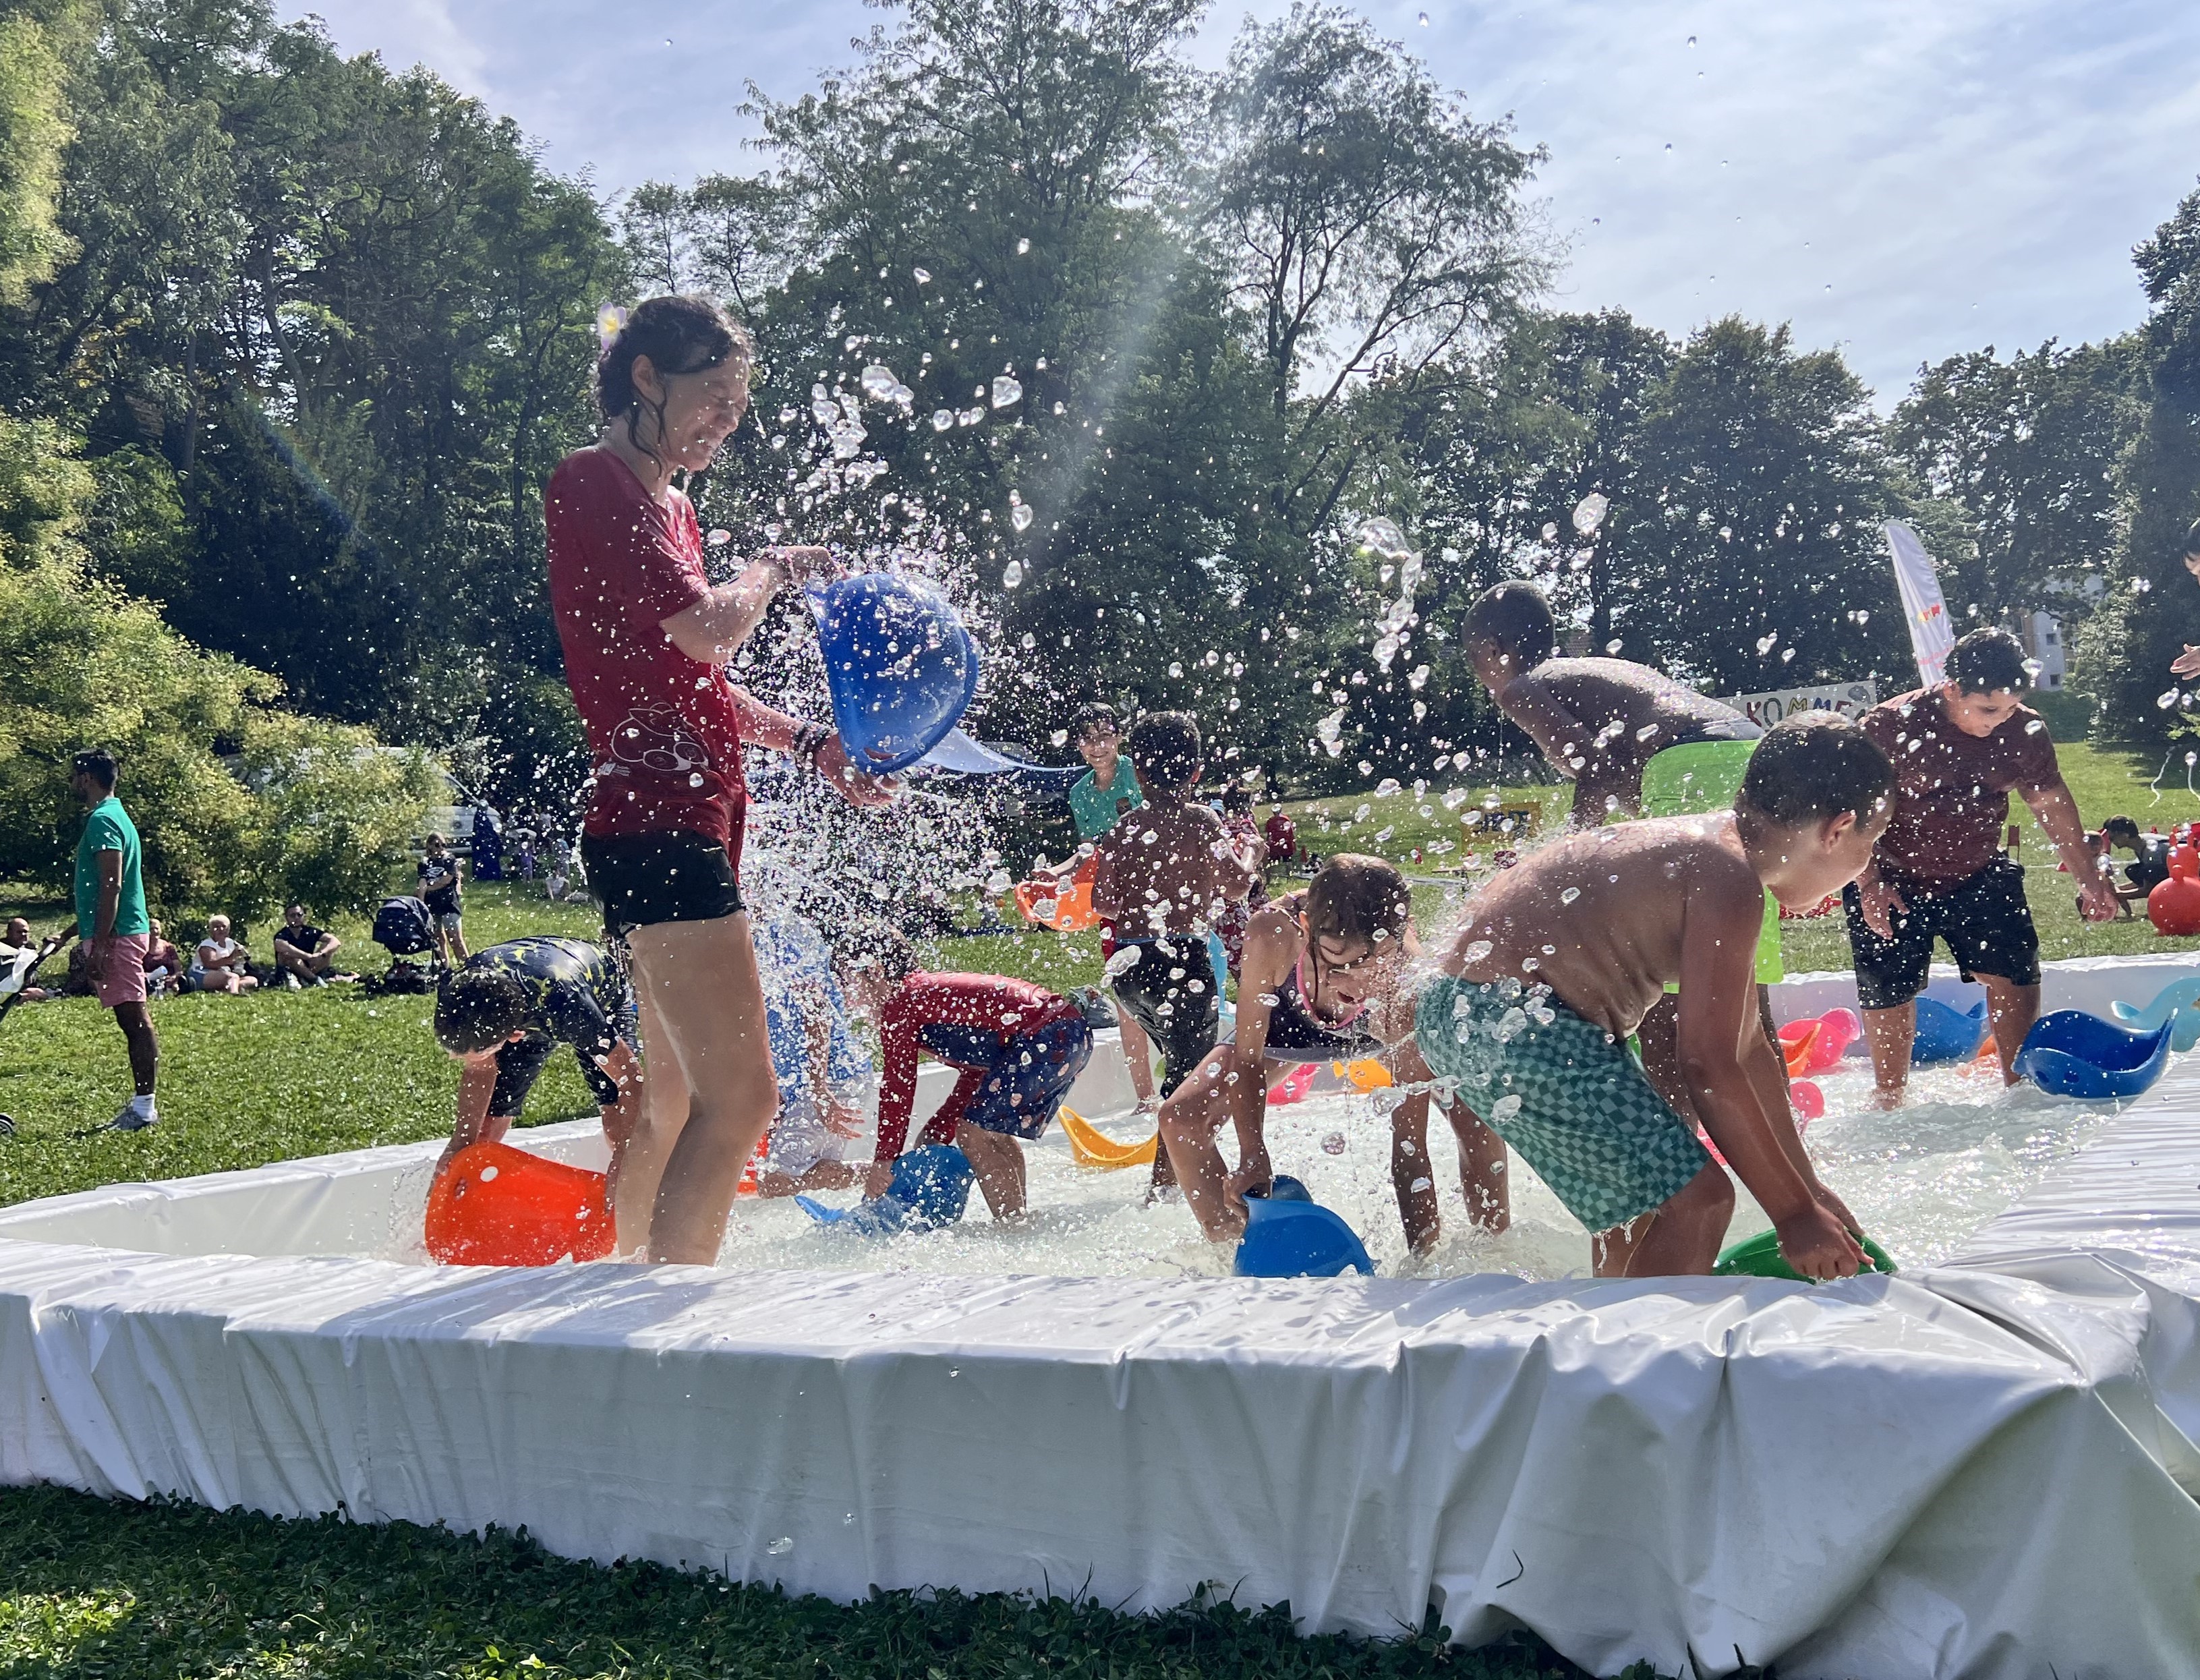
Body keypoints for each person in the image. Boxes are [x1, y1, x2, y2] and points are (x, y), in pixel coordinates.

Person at [546, 293, 889, 1263]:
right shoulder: (593, 482)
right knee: (745, 1099)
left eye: (737, 408)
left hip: (668, 825)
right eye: (712, 397)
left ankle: (624, 1289)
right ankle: (666, 1326)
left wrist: (810, 743)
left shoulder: (673, 509)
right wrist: (774, 567)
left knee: (675, 1101)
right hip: (657, 827)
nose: (723, 423)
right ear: (645, 376)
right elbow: (709, 626)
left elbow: (696, 675)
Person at [1416, 714, 1892, 1279]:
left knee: (1638, 1214)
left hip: (1464, 1011)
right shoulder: (1731, 879)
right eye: (1873, 843)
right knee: (1699, 1200)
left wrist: (1806, 1189)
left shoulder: (1714, 855)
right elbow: (1707, 1065)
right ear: (1837, 830)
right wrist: (1793, 1216)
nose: (1866, 863)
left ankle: (1607, 1327)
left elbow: (1748, 1051)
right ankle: (1641, 1362)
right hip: (1515, 1022)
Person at [1461, 579, 1789, 1135]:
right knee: (1743, 991)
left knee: (1661, 987)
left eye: (1476, 664)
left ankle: (1677, 1164)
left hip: (1688, 767)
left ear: (1493, 651)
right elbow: (1618, 773)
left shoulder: (1519, 687)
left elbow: (1595, 770)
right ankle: (1789, 1152)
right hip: (1748, 756)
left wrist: (1562, 861)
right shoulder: (1585, 673)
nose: (1483, 678)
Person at [1157, 853, 1509, 1252]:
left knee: (1476, 1117)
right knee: (1180, 1118)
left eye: (1373, 963)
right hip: (1289, 1027)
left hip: (1376, 1028)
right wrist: (1253, 1152)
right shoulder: (1272, 933)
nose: (1354, 982)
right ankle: (1240, 1250)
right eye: (1336, 962)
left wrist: (1421, 1265)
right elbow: (1249, 1058)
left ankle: (1494, 1245)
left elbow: (1411, 1148)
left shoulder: (1405, 978)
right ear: (1306, 926)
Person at [1846, 627, 2118, 1105]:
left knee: (2016, 970)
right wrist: (1869, 882)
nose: (2000, 721)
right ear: (1952, 688)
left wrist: (2089, 879)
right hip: (1892, 874)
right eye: (1989, 709)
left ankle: (2022, 1092)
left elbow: (2050, 804)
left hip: (1978, 870)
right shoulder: (1889, 725)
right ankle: (1890, 1099)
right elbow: (1850, 813)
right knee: (1888, 986)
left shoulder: (2025, 729)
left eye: (2011, 708)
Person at [1091, 712, 1263, 1190]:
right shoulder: (1202, 820)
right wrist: (1250, 853)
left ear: (1138, 773)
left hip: (1128, 969)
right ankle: (1166, 1194)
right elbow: (1234, 888)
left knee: (1183, 1079)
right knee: (1188, 1091)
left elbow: (1103, 902)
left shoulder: (1124, 828)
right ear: (1197, 772)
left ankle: (1174, 1183)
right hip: (1182, 965)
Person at [836, 923, 1093, 1221]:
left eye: (847, 982)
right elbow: (980, 1070)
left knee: (975, 1134)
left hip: (1045, 1036)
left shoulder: (901, 1003)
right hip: (1067, 1034)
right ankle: (1019, 1219)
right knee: (989, 1131)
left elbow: (898, 1086)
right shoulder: (922, 995)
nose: (848, 999)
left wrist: (883, 1161)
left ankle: (1012, 1226)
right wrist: (939, 1130)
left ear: (876, 971)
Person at [432, 937, 645, 1244]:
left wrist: (626, 1156)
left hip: (598, 997)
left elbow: (632, 1081)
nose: (463, 1061)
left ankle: (631, 1211)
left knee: (618, 1127)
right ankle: (461, 1218)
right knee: (481, 1139)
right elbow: (481, 1069)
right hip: (523, 997)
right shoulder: (464, 993)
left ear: (515, 1036)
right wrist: (460, 1141)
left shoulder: (572, 1010)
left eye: (479, 1053)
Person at [1060, 700, 1161, 1109]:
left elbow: (1157, 827)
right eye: (1088, 739)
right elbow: (1092, 849)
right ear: (1078, 745)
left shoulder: (1139, 772)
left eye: (1105, 736)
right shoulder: (1080, 793)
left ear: (1119, 736)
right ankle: (1145, 1097)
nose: (1097, 746)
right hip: (1115, 904)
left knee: (1167, 987)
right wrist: (1060, 872)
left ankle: (1183, 1085)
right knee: (1125, 996)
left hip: (1159, 896)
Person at [752, 908, 872, 1199]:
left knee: (773, 1182)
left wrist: (818, 1090)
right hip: (819, 1081)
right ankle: (887, 1173)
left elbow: (816, 1011)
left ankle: (889, 1171)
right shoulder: (757, 937)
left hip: (831, 1079)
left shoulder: (780, 935)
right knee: (820, 1167)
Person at [70, 751, 160, 1130]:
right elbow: (100, 890)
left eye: (73, 777)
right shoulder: (114, 815)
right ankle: (143, 1105)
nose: (71, 784)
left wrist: (102, 944)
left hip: (118, 936)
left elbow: (112, 885)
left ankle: (144, 1109)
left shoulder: (104, 819)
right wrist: (71, 933)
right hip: (115, 931)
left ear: (88, 778)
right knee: (132, 1017)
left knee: (134, 1019)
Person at [2097, 816, 2172, 914]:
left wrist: (2120, 894)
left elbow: (2148, 889)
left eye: (2112, 837)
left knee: (2135, 871)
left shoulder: (2151, 852)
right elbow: (2148, 880)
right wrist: (2118, 889)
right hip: (2175, 871)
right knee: (2134, 871)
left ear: (2125, 835)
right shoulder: (2141, 842)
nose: (2110, 841)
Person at [417, 836, 468, 964]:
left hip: (449, 903)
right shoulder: (424, 864)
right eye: (437, 845)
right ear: (429, 846)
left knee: (455, 938)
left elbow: (445, 881)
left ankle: (466, 966)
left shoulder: (449, 860)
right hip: (432, 905)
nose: (441, 848)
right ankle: (444, 968)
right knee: (437, 939)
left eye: (443, 845)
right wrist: (421, 906)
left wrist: (427, 888)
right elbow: (421, 883)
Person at [272, 904, 343, 987]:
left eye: (299, 915)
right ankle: (314, 979)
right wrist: (307, 956)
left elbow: (336, 942)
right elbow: (280, 946)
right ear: (287, 918)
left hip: (309, 966)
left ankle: (306, 977)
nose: (297, 918)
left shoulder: (310, 931)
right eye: (293, 916)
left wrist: (322, 953)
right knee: (288, 955)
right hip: (291, 967)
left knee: (328, 947)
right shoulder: (283, 934)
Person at [191, 915, 258, 995]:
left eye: (224, 926)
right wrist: (231, 957)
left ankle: (225, 989)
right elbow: (210, 964)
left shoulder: (230, 942)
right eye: (217, 927)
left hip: (223, 972)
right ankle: (234, 993)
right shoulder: (207, 945)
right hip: (202, 972)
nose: (221, 929)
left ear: (229, 929)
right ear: (211, 930)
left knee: (252, 980)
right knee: (233, 977)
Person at [1, 916, 57, 1004]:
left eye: (25, 932)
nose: (23, 935)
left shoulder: (30, 947)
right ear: (9, 933)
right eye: (19, 932)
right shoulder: (3, 949)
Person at [142, 919, 181, 997]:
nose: (155, 931)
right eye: (151, 929)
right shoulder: (142, 949)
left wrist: (174, 978)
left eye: (157, 928)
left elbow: (179, 970)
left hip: (169, 982)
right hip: (149, 983)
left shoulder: (169, 947)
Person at [472, 803, 504, 881]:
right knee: (488, 859)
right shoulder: (481, 818)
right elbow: (486, 831)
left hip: (483, 842)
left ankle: (485, 874)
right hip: (485, 843)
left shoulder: (480, 817)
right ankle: (489, 875)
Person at [1262, 803, 1298, 869]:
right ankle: (1276, 873)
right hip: (1277, 841)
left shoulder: (1283, 819)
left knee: (1286, 859)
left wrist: (1292, 842)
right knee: (1276, 859)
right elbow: (1269, 833)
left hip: (1283, 841)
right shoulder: (1272, 820)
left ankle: (1288, 874)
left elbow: (1290, 832)